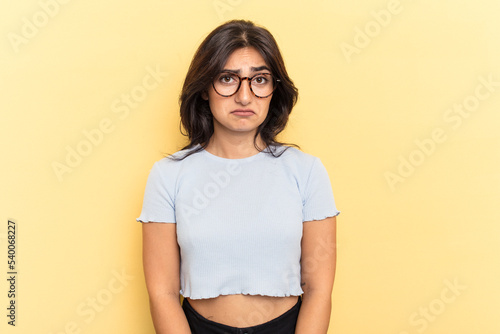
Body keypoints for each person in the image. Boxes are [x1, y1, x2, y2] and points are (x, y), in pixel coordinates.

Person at [137, 19, 340, 334]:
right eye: (227, 78)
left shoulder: (306, 171)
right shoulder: (168, 175)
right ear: (205, 88)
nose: (245, 97)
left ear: (274, 89)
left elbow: (319, 290)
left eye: (259, 79)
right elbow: (162, 293)